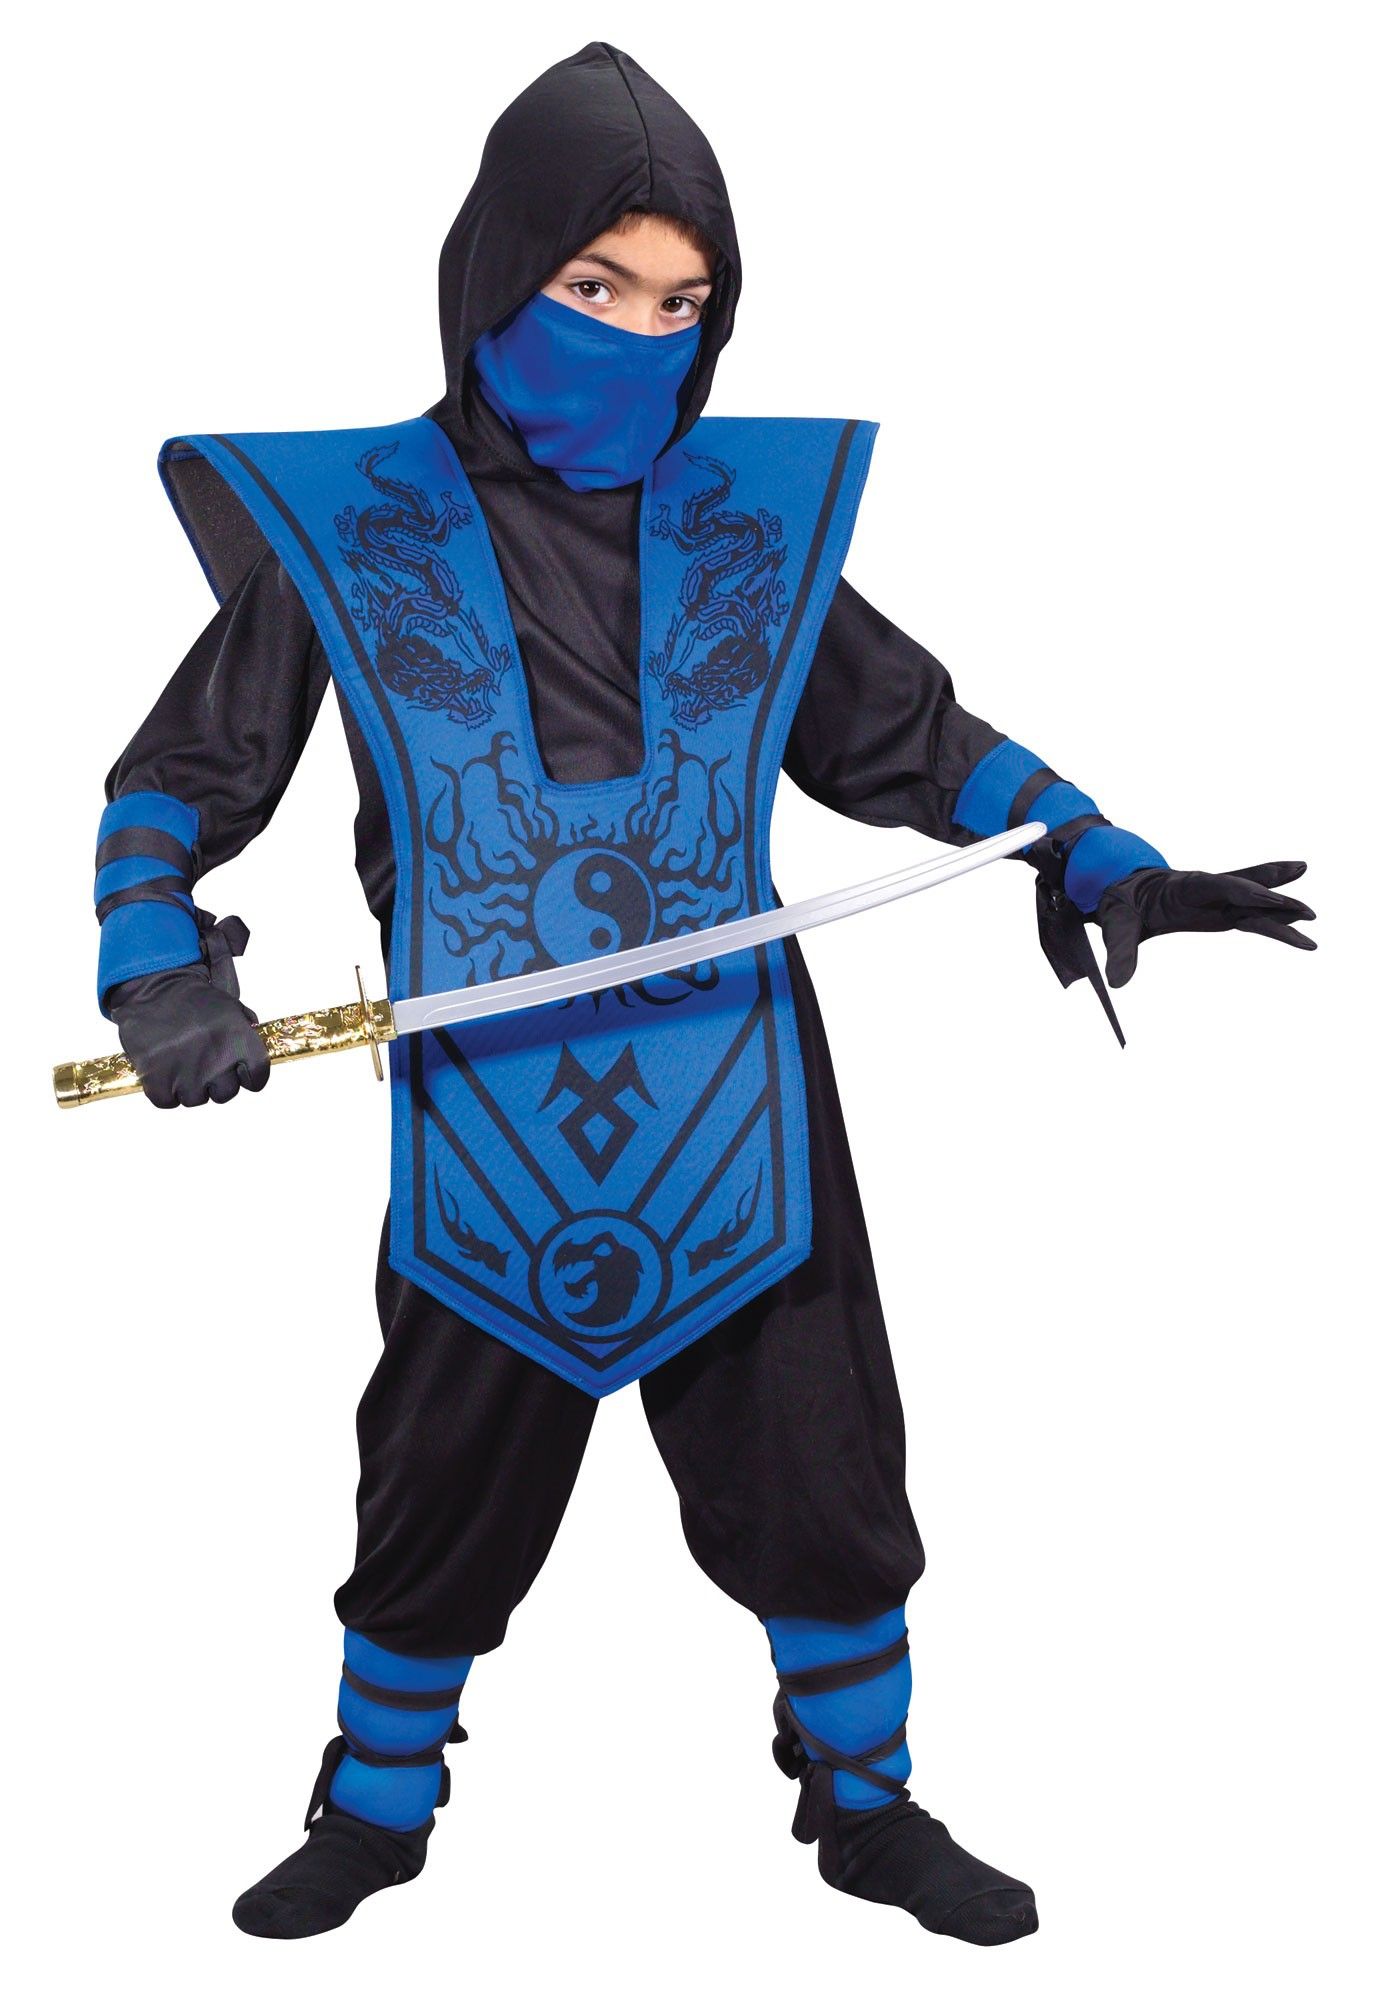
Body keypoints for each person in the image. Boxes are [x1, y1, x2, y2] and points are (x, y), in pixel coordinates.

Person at [91, 41, 1314, 1946]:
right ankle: (377, 1802)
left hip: (736, 1091)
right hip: (487, 1102)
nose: (641, 338)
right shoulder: (356, 523)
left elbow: (917, 739)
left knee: (821, 1463)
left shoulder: (741, 521)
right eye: (597, 286)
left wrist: (1099, 853)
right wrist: (158, 967)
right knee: (439, 1474)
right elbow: (175, 787)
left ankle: (866, 1803)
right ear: (499, 268)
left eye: (684, 304)